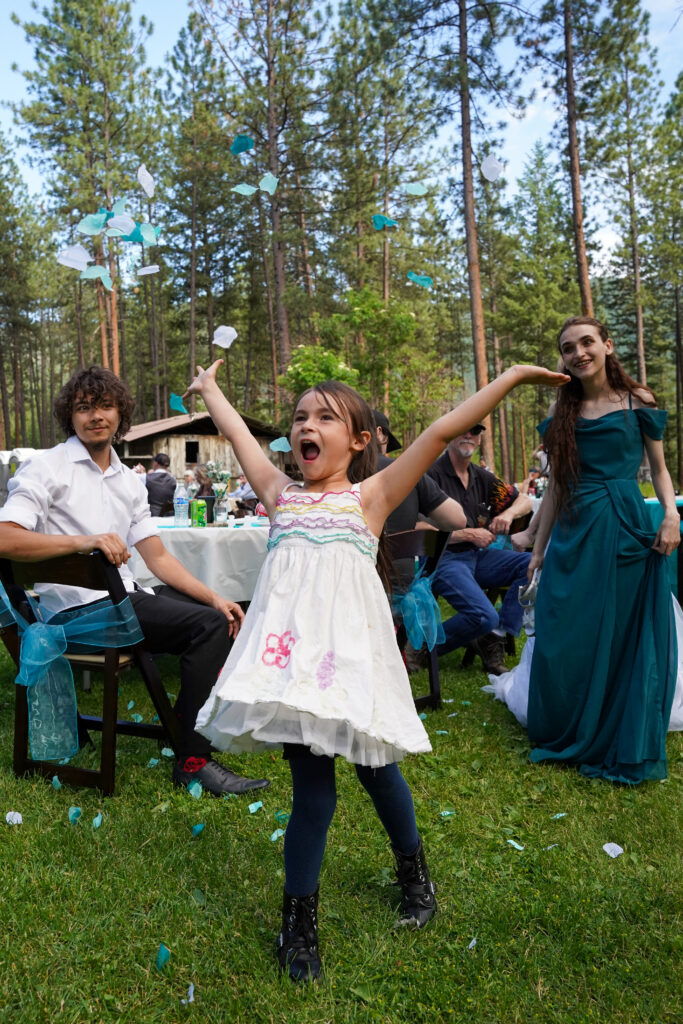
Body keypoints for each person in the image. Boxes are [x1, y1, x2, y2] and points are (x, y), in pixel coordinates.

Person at [185, 358, 568, 982]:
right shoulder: (280, 494)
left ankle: (414, 871)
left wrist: (515, 378)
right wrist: (210, 391)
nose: (307, 426)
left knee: (378, 774)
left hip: (353, 666)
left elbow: (443, 430)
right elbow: (239, 438)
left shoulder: (373, 496)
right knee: (313, 793)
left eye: (325, 418)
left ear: (359, 440)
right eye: (300, 416)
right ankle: (298, 923)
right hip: (298, 675)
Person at [0, 366, 269, 797]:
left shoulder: (129, 480)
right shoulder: (46, 468)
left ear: (120, 414)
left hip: (121, 599)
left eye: (104, 406)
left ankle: (181, 726)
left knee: (215, 614)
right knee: (209, 629)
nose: (95, 416)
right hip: (76, 615)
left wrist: (216, 596)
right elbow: (5, 537)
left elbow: (158, 558)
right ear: (70, 417)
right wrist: (84, 542)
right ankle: (193, 762)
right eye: (83, 408)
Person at [522, 315, 679, 783]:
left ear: (608, 346)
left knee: (624, 631)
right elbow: (553, 489)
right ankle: (567, 722)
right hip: (575, 527)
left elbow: (660, 469)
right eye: (568, 348)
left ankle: (615, 728)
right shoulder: (560, 416)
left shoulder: (639, 402)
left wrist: (671, 514)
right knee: (569, 626)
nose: (578, 353)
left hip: (627, 524)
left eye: (587, 342)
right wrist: (536, 547)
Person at [426, 424, 533, 675]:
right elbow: (419, 529)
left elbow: (525, 500)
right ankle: (424, 648)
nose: (468, 435)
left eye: (475, 431)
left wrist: (508, 513)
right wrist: (468, 534)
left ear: (480, 438)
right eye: (462, 428)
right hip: (442, 558)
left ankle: (495, 636)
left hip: (476, 557)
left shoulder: (481, 477)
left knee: (531, 564)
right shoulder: (431, 475)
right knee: (483, 615)